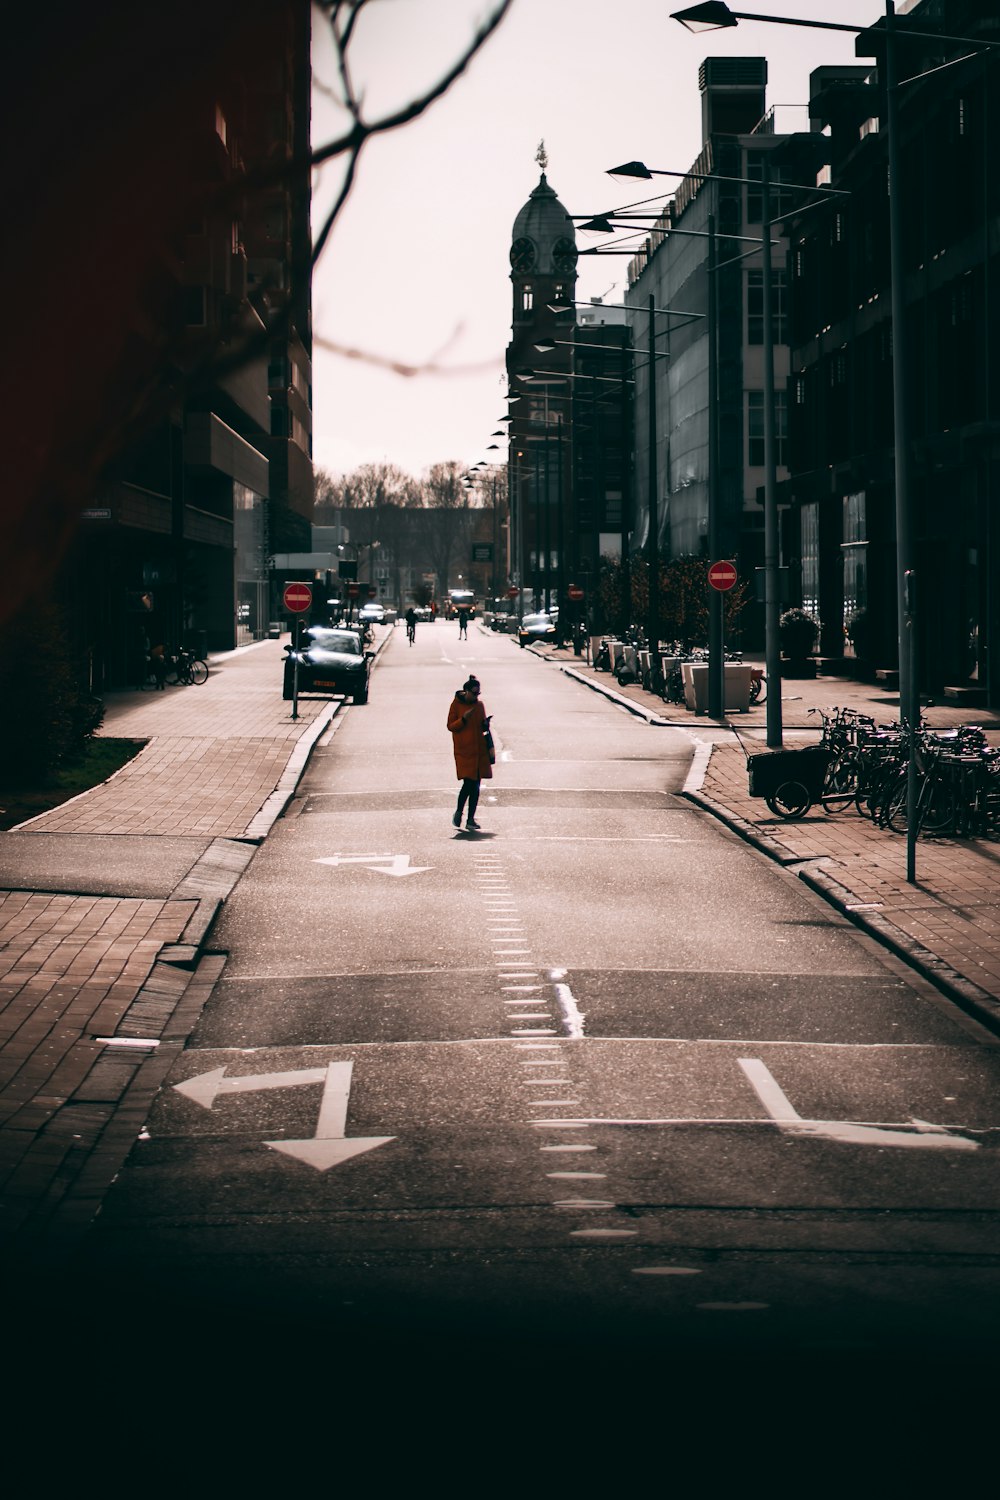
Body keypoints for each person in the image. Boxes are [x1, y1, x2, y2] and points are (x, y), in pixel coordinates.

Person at [447, 675, 492, 831]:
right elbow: (451, 726)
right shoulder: (456, 705)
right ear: (465, 691)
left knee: (476, 786)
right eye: (473, 693)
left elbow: (482, 727)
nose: (476, 696)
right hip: (464, 751)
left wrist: (486, 724)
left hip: (479, 751)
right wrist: (464, 719)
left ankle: (471, 819)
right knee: (468, 784)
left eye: (478, 693)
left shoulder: (479, 706)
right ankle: (459, 812)